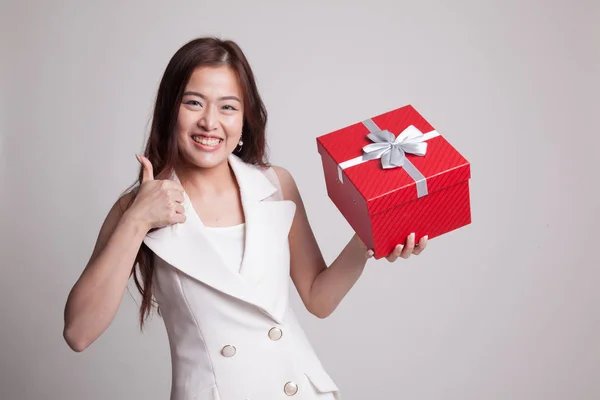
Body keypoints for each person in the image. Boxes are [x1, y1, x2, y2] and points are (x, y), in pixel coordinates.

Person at [62, 37, 428, 400]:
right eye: (193, 102)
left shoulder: (274, 184)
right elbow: (79, 332)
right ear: (169, 109)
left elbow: (319, 298)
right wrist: (138, 220)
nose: (210, 122)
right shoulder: (136, 207)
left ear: (244, 119)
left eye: (228, 107)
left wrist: (369, 235)